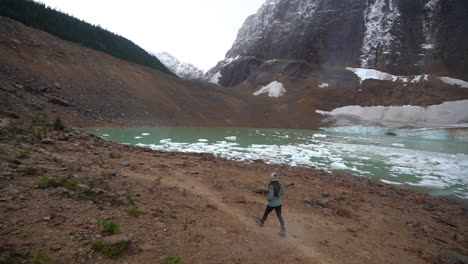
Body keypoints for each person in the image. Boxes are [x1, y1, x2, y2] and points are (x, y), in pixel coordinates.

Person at [256, 172, 286, 237]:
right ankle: (283, 230)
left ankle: (261, 222)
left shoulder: (271, 186)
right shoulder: (280, 185)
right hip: (279, 203)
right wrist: (278, 196)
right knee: (279, 216)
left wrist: (268, 198)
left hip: (272, 204)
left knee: (266, 213)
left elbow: (271, 197)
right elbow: (283, 193)